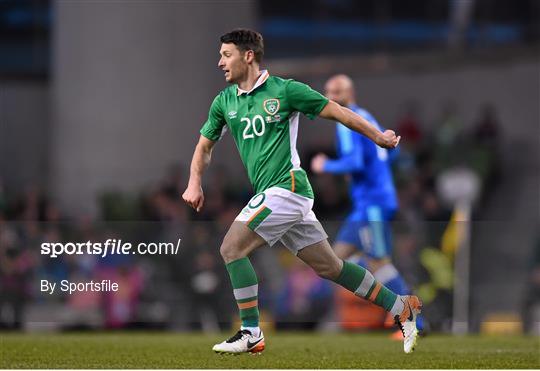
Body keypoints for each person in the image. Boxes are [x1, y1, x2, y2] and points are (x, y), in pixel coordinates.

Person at [182, 29, 421, 355]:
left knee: (231, 248)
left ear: (247, 56)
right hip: (277, 195)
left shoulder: (285, 90)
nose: (220, 62)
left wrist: (378, 137)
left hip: (288, 188)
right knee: (331, 268)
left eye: (226, 55)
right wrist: (194, 181)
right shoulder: (224, 102)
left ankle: (251, 331)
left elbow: (338, 112)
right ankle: (401, 307)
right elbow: (204, 146)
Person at [311, 74, 425, 336]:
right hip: (367, 204)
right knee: (334, 260)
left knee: (380, 263)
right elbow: (391, 152)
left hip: (372, 204)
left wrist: (324, 165)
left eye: (335, 92)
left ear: (348, 94)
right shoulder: (367, 117)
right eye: (327, 92)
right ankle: (396, 308)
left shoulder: (345, 120)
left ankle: (413, 319)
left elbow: (355, 162)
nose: (329, 98)